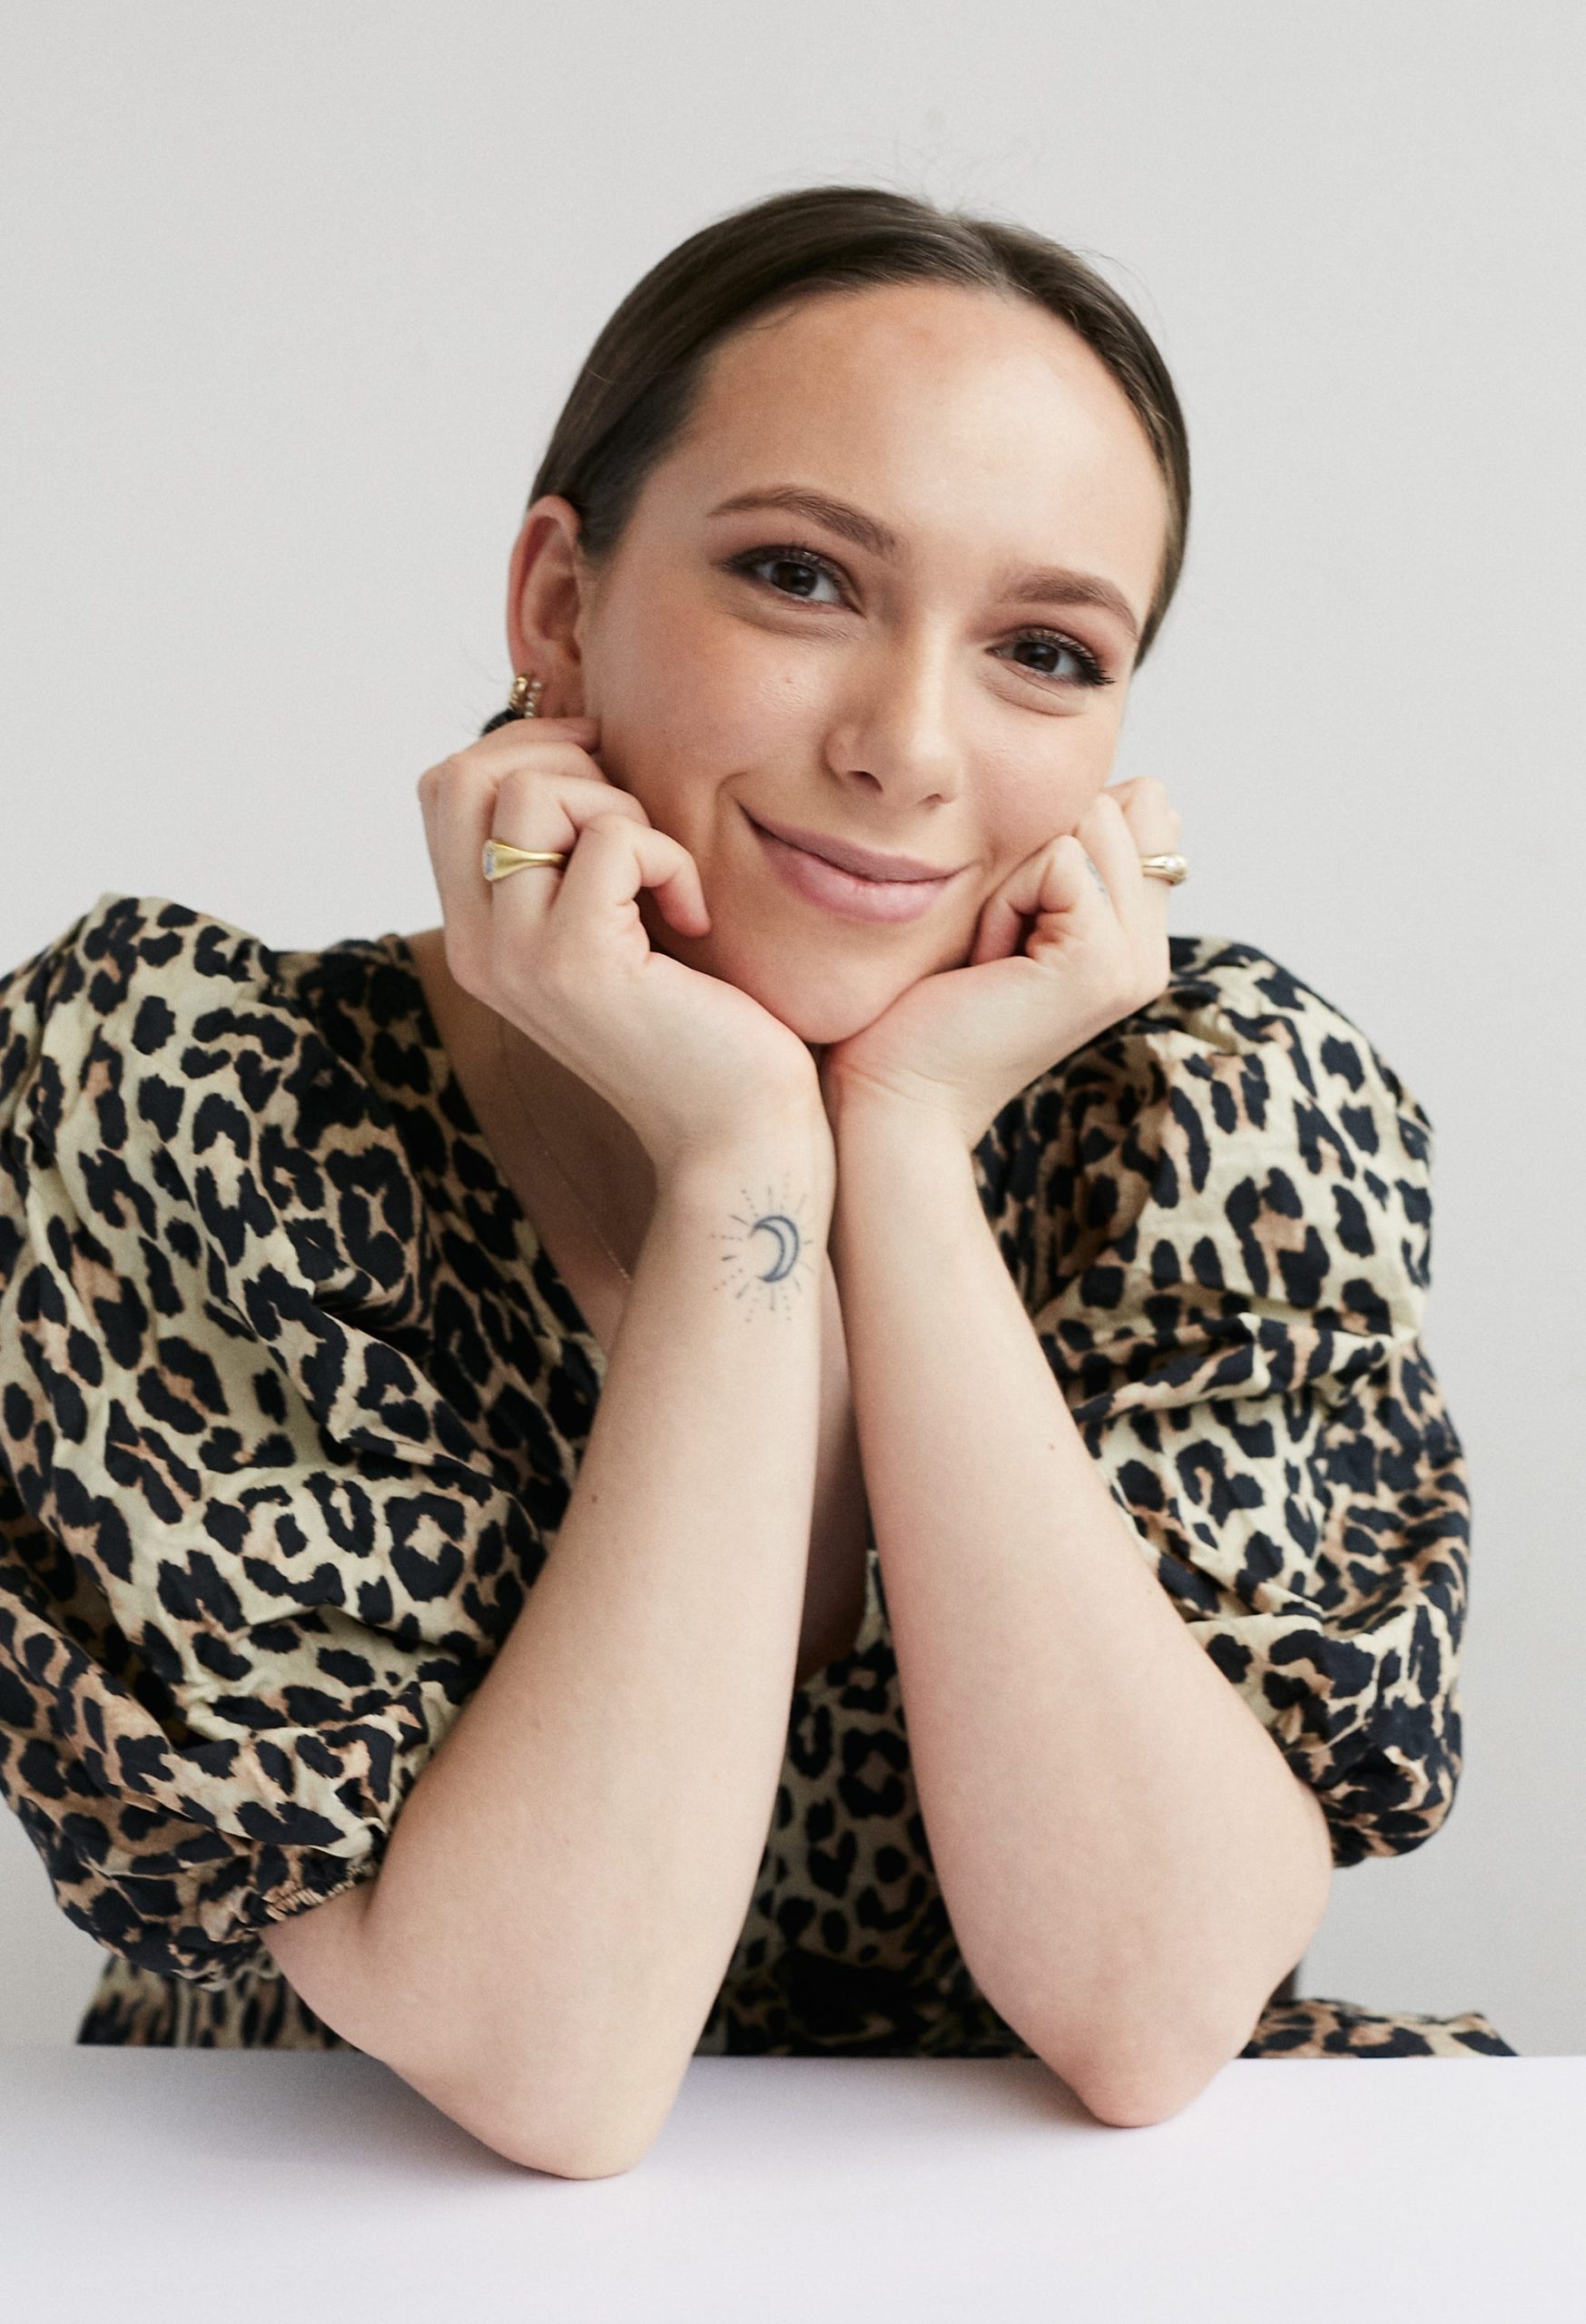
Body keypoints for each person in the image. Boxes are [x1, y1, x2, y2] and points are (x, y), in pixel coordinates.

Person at [0, 182, 1512, 2176]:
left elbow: (1146, 2009)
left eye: (1044, 649)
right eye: (800, 576)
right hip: (332, 2209)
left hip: (1033, 2223)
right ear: (557, 600)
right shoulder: (178, 1100)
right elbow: (540, 2059)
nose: (903, 745)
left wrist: (895, 1142)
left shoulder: (1215, 1122)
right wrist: (736, 1165)